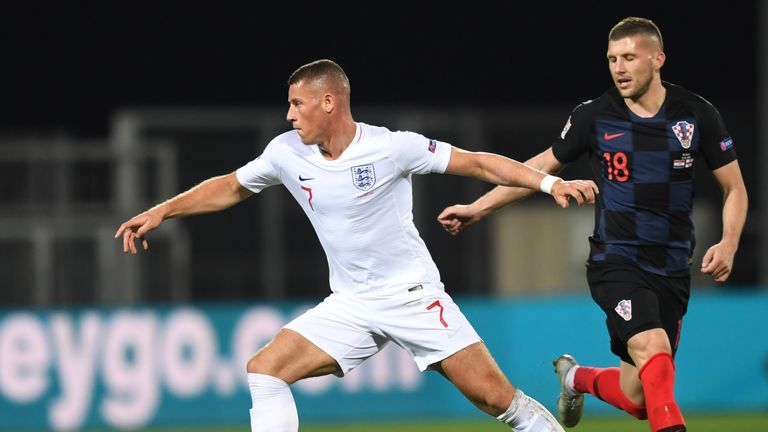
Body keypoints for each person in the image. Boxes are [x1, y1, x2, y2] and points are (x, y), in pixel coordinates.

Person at [115, 59, 599, 431]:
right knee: (264, 370)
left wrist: (548, 185)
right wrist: (163, 210)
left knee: (496, 399)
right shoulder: (286, 152)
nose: (289, 115)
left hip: (412, 295)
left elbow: (478, 163)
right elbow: (231, 186)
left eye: (297, 104)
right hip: (351, 303)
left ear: (328, 102)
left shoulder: (391, 147)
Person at [438, 17, 748, 432]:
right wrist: (479, 208)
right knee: (655, 354)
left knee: (640, 397)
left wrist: (728, 242)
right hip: (616, 262)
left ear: (658, 59)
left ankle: (574, 379)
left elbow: (735, 189)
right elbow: (539, 169)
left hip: (673, 269)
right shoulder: (594, 116)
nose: (619, 68)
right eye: (612, 59)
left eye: (629, 58)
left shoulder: (697, 114)